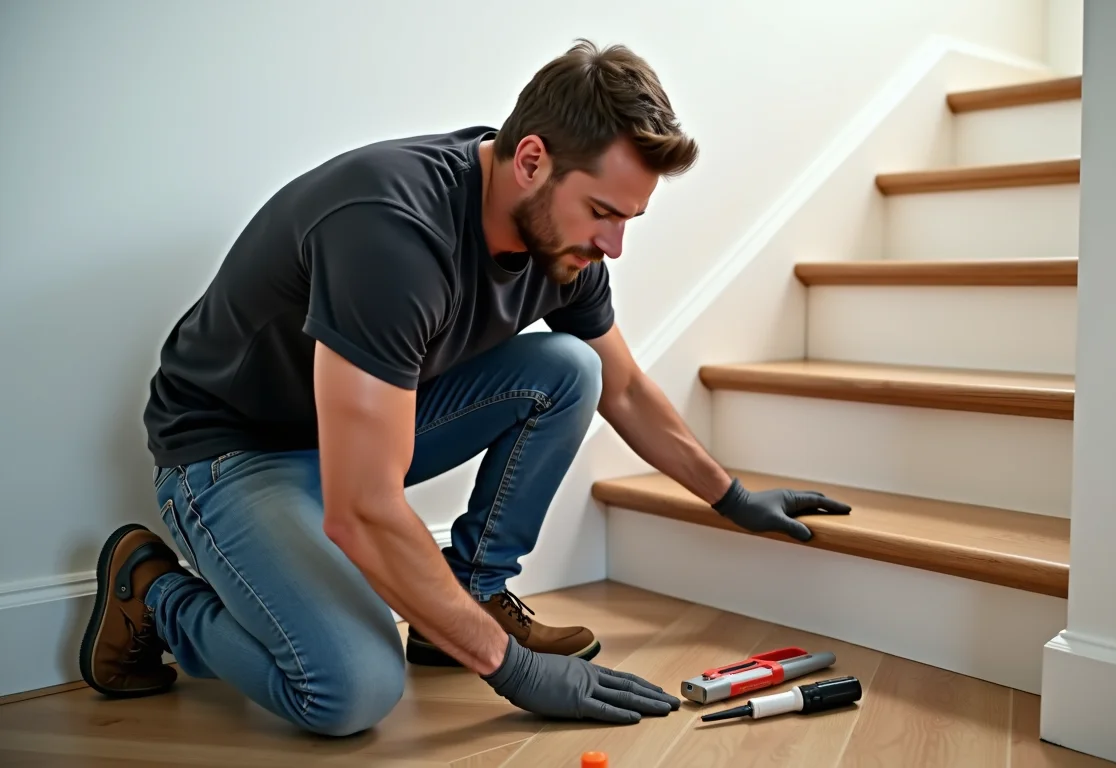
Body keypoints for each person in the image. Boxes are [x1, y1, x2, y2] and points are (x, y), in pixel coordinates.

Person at [78, 39, 851, 736]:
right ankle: (155, 594)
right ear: (532, 161)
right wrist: (514, 671)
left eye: (629, 220)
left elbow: (621, 389)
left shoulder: (563, 247)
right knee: (350, 691)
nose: (614, 244)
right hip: (233, 454)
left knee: (569, 369)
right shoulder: (392, 232)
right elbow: (361, 510)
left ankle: (471, 593)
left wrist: (731, 495)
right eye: (604, 213)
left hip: (348, 440)